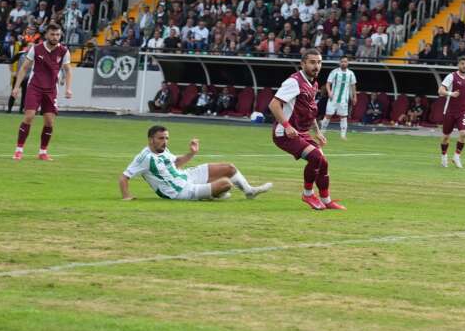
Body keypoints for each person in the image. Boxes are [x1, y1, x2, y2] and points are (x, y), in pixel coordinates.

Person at [268, 49, 344, 210]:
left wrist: (317, 132)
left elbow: (310, 111)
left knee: (323, 162)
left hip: (301, 132)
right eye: (312, 62)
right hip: (284, 134)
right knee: (316, 157)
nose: (316, 66)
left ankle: (326, 200)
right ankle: (308, 194)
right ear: (302, 64)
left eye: (319, 62)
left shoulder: (313, 83)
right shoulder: (294, 82)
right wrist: (287, 126)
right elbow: (273, 104)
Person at [120, 125, 271, 201]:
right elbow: (124, 177)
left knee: (229, 168)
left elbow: (176, 163)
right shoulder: (144, 157)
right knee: (225, 184)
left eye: (166, 138)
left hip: (186, 176)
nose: (165, 141)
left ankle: (249, 191)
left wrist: (191, 153)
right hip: (180, 192)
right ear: (151, 139)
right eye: (161, 138)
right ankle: (212, 194)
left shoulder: (163, 150)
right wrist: (127, 197)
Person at [11, 23, 73, 161]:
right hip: (35, 87)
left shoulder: (64, 51)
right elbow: (24, 68)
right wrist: (16, 87)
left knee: (50, 122)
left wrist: (68, 88)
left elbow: (68, 70)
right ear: (46, 35)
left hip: (51, 90)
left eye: (58, 34)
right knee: (29, 116)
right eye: (52, 34)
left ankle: (43, 152)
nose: (55, 37)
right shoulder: (36, 49)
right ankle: (18, 150)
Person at [437, 55, 465, 168]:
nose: (464, 66)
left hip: (463, 111)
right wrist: (450, 94)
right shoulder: (451, 76)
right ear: (458, 64)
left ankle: (457, 156)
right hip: (450, 111)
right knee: (446, 137)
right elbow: (440, 90)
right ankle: (444, 156)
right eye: (462, 63)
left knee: (464, 133)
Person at [319, 56, 357, 140]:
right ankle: (321, 133)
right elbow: (328, 83)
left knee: (343, 117)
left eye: (345, 62)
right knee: (328, 115)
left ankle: (343, 135)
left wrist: (354, 97)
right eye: (342, 62)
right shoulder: (334, 72)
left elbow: (353, 86)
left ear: (348, 63)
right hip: (333, 98)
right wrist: (329, 92)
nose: (343, 63)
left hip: (344, 99)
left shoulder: (351, 73)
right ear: (339, 63)